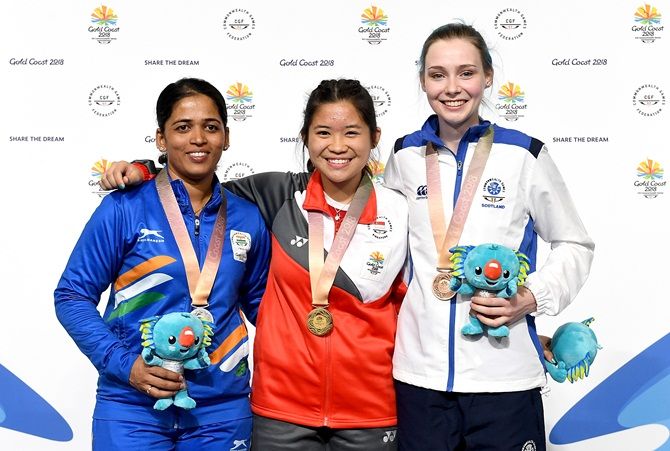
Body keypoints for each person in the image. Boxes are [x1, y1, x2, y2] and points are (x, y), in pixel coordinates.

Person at [99, 79, 409, 450]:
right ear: (306, 139)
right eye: (323, 132)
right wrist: (145, 170)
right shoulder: (276, 195)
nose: (338, 146)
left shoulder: (401, 207)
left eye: (352, 133)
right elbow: (193, 185)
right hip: (282, 407)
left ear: (375, 137)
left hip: (370, 405)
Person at [383, 23, 595, 450]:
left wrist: (531, 297)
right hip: (420, 379)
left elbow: (575, 243)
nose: (452, 87)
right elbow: (386, 247)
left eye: (466, 72)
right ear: (422, 80)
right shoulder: (404, 155)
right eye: (438, 74)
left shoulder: (524, 154)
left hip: (505, 378)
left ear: (488, 76)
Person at [55, 78, 271, 450]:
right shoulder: (124, 207)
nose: (198, 138)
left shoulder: (247, 218)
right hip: (131, 407)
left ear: (227, 136)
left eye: (211, 126)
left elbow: (265, 309)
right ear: (160, 138)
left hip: (221, 411)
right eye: (183, 127)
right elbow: (72, 296)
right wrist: (126, 366)